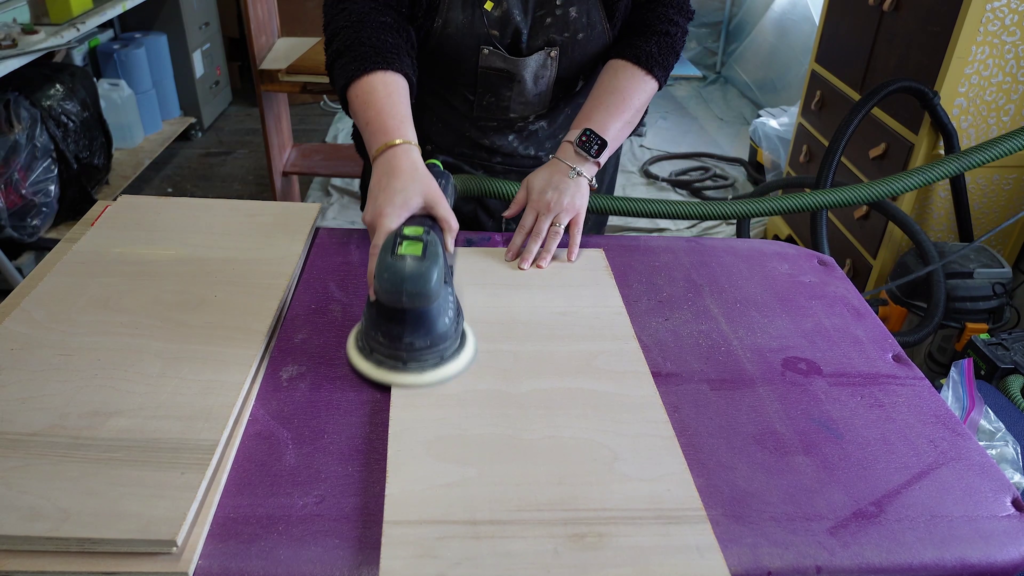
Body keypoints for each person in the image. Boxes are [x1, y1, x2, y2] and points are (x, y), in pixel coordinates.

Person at [324, 0, 694, 291]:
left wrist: (577, 160)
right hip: (422, 161)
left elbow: (657, 21)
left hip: (570, 164)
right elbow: (366, 16)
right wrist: (394, 154)